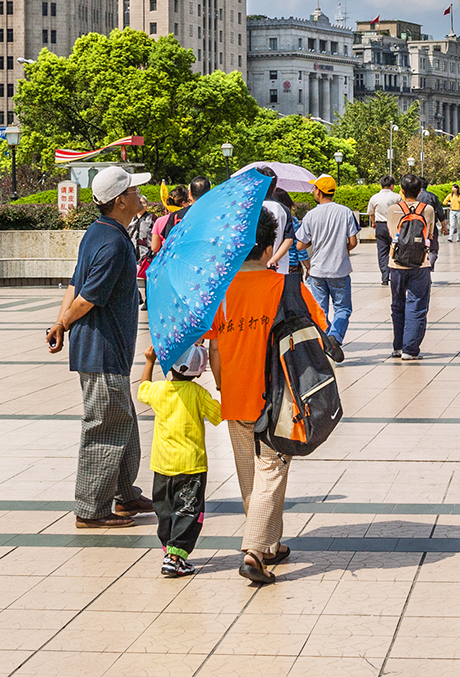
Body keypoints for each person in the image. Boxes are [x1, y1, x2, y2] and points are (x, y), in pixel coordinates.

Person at [208, 209, 330, 585]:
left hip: (236, 393)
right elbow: (320, 330)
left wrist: (223, 382)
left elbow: (214, 350)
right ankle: (255, 551)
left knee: (252, 472)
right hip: (280, 397)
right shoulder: (286, 287)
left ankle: (271, 543)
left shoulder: (222, 291)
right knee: (273, 469)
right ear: (268, 247)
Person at [46, 165, 156, 528]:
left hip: (106, 347)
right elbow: (88, 296)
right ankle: (91, 509)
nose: (140, 196)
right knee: (105, 425)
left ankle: (125, 495)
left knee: (120, 420)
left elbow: (73, 285)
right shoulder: (110, 242)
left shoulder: (100, 232)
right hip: (102, 347)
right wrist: (63, 322)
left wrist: (61, 322)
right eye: (134, 192)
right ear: (120, 200)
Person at [136, 342, 222, 577]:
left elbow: (142, 388)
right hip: (191, 466)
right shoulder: (197, 394)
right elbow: (218, 415)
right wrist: (221, 384)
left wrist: (150, 360)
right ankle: (175, 558)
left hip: (162, 466)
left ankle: (169, 551)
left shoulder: (159, 390)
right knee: (188, 511)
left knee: (164, 510)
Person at [296, 175, 360, 345]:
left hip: (317, 270)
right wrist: (340, 250)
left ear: (318, 191)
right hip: (339, 269)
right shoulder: (345, 212)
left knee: (320, 311)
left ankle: (325, 341)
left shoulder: (311, 215)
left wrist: (315, 242)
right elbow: (353, 242)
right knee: (343, 309)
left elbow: (300, 245)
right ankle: (335, 337)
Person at [384, 174, 438, 360]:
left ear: (402, 190)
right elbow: (429, 234)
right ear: (420, 190)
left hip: (396, 263)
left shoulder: (393, 209)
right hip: (420, 263)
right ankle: (410, 349)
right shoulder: (428, 209)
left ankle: (397, 346)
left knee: (397, 304)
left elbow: (392, 233)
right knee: (416, 305)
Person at [365, 176, 400, 282]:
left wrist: (373, 222)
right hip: (394, 226)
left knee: (382, 252)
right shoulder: (396, 197)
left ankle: (385, 275)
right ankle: (395, 274)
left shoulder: (374, 197)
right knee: (396, 250)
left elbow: (371, 212)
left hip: (380, 226)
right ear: (392, 185)